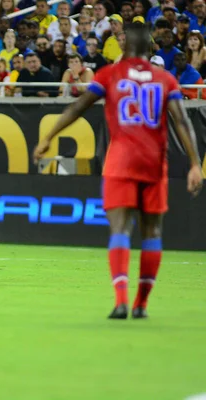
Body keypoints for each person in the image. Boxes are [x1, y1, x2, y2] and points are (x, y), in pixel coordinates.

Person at [33, 23, 203, 320]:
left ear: (124, 48)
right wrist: (194, 164)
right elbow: (182, 122)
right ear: (151, 50)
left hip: (121, 162)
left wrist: (48, 136)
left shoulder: (110, 75)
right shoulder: (165, 80)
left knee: (120, 229)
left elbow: (78, 107)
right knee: (152, 232)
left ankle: (121, 300)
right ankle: (141, 304)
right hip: (153, 163)